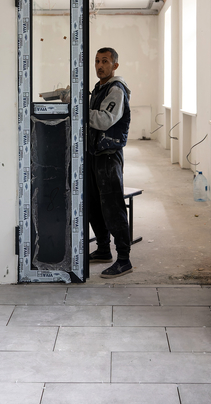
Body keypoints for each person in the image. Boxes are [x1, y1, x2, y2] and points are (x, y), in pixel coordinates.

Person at [86, 47, 133, 277]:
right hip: (94, 155)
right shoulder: (99, 88)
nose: (99, 66)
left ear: (115, 65)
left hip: (109, 156)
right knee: (94, 206)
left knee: (113, 208)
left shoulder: (116, 89)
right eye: (97, 61)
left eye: (105, 61)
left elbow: (104, 120)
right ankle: (103, 249)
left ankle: (124, 260)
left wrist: (79, 108)